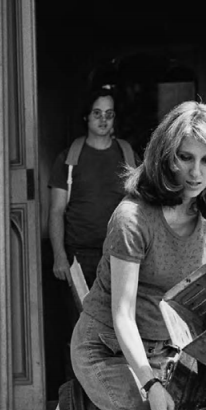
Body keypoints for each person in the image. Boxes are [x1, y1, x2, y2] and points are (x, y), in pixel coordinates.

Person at [43, 101, 206, 410]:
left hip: (167, 351)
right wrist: (150, 386)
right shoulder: (132, 219)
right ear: (166, 157)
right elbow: (122, 314)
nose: (195, 172)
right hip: (105, 349)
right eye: (185, 157)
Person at [48, 86, 138, 315]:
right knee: (84, 324)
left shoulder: (128, 154)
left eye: (109, 114)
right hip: (79, 257)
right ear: (86, 116)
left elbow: (144, 206)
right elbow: (56, 211)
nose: (103, 119)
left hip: (121, 254)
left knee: (120, 322)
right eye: (97, 113)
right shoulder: (68, 159)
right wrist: (59, 256)